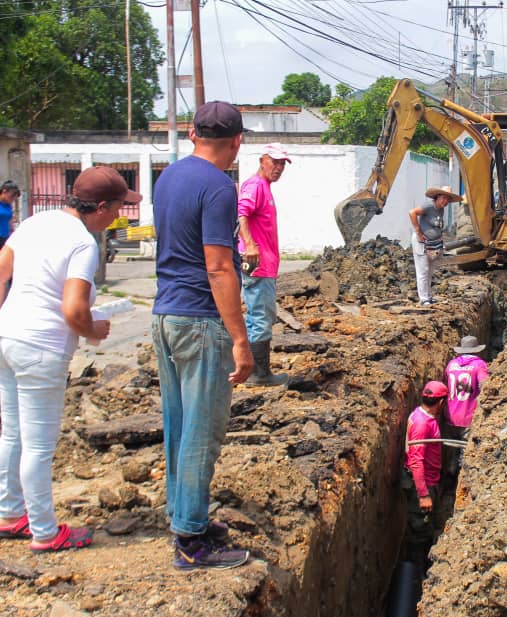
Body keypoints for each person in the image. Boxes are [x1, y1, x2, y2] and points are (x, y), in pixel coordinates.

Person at [0, 166, 140, 552]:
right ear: (101, 207)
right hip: (41, 348)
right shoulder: (82, 243)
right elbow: (74, 310)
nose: (118, 215)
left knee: (12, 433)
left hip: (8, 336)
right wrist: (93, 329)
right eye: (118, 208)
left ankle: (10, 513)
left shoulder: (35, 223)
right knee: (38, 445)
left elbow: (1, 270)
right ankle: (45, 532)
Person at [152, 100, 254, 571]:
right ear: (237, 142)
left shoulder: (169, 177)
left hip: (166, 315)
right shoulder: (218, 187)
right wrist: (240, 338)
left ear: (193, 134)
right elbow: (218, 266)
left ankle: (183, 515)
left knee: (179, 423)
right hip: (199, 320)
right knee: (202, 431)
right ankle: (191, 542)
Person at [237, 142, 291, 386]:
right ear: (262, 161)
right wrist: (250, 245)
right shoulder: (256, 186)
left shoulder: (264, 187)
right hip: (258, 264)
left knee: (258, 315)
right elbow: (242, 214)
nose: (278, 168)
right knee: (261, 315)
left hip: (264, 264)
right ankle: (259, 374)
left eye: (282, 164)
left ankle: (254, 369)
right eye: (274, 162)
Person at [403, 380, 447, 557]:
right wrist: (423, 495)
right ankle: (417, 565)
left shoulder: (422, 416)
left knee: (425, 526)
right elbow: (416, 460)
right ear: (441, 402)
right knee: (420, 530)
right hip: (422, 484)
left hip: (429, 480)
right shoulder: (422, 424)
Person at [442, 336, 489, 479]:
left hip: (450, 414)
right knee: (465, 448)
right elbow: (485, 386)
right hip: (469, 416)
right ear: (476, 350)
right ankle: (461, 477)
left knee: (451, 446)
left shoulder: (451, 364)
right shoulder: (479, 365)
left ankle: (450, 470)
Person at [409, 186, 461, 306]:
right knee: (423, 270)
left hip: (434, 244)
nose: (445, 201)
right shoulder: (428, 206)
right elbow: (412, 213)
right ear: (437, 197)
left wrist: (439, 237)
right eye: (443, 198)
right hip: (422, 242)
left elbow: (437, 225)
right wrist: (418, 231)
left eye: (448, 199)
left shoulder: (441, 209)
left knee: (430, 270)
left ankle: (428, 296)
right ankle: (423, 299)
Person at [0, 181, 20, 250]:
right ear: (4, 191)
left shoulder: (8, 205)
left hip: (6, 238)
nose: (12, 199)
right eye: (11, 196)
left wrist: (13, 233)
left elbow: (10, 220)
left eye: (14, 198)